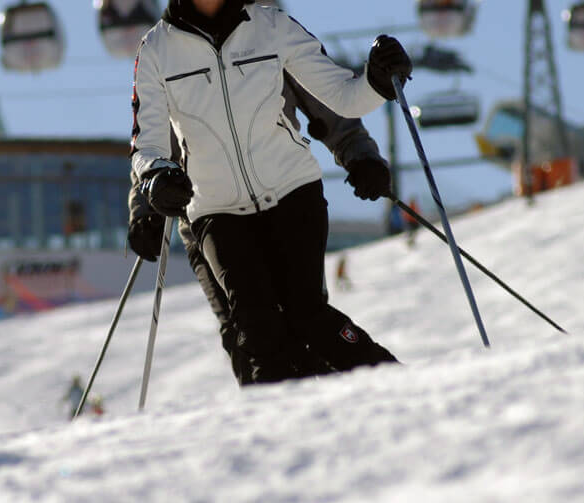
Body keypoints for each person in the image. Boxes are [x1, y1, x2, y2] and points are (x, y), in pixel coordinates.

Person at [129, 0, 405, 386]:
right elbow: (149, 145)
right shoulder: (157, 51)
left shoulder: (271, 28)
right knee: (253, 332)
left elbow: (337, 100)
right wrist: (149, 200)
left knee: (305, 317)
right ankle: (278, 429)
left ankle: (388, 385)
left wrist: (378, 83)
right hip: (213, 210)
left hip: (291, 192)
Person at [128, 67, 389, 384]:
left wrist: (361, 157)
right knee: (245, 331)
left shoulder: (269, 35)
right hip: (207, 217)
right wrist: (146, 208)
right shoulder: (170, 52)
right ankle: (270, 416)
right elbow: (150, 144)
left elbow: (331, 105)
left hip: (282, 202)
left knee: (304, 318)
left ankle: (374, 386)